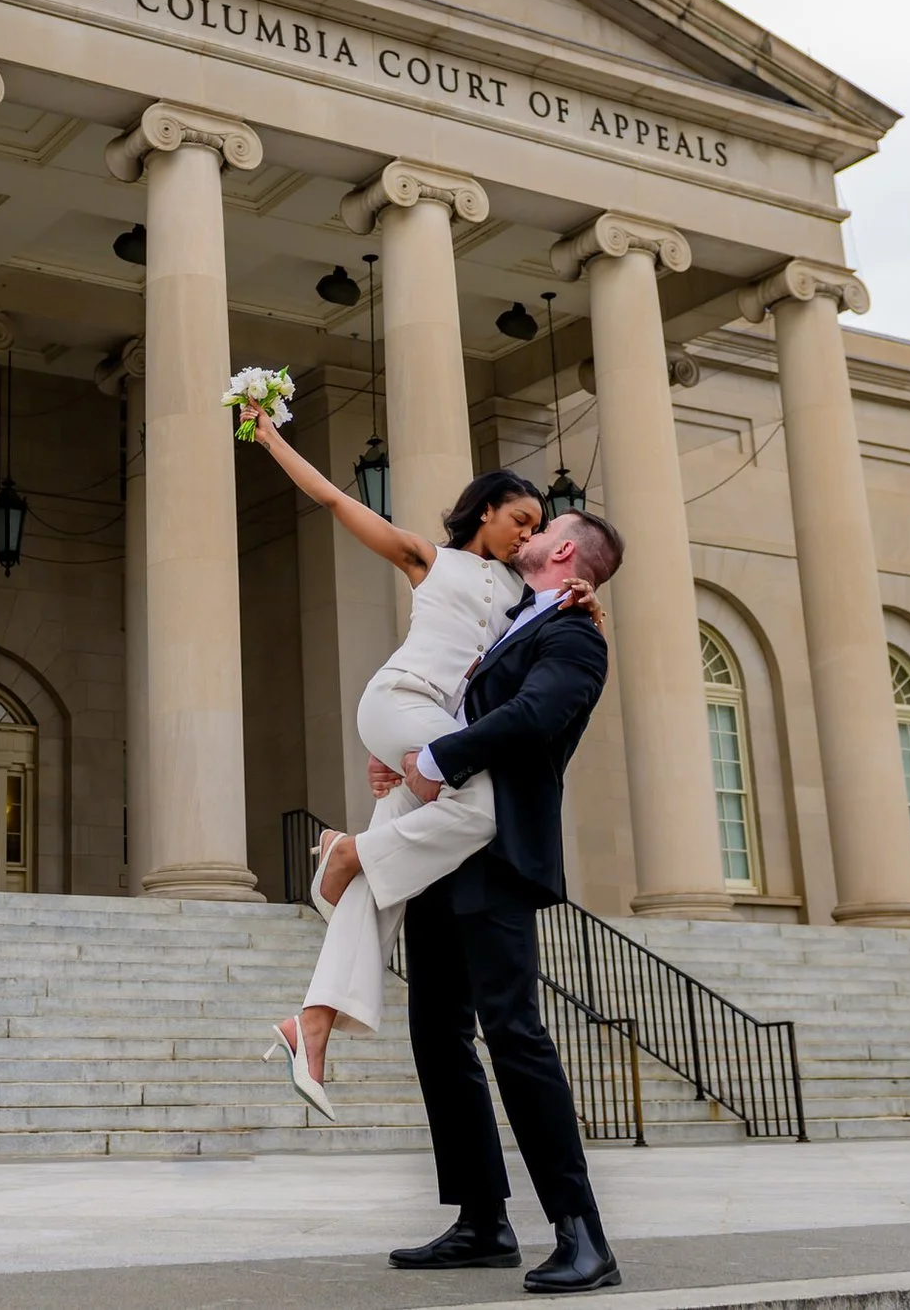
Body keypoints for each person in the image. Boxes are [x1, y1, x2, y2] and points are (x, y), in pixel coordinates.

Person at [234, 405, 593, 1122]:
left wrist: (585, 596)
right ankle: (348, 850)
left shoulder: (525, 598)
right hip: (401, 701)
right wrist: (269, 436)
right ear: (485, 510)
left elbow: (545, 644)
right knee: (484, 810)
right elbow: (335, 500)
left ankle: (312, 1025)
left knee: (382, 885)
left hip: (439, 738)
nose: (527, 533)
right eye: (519, 519)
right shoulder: (429, 559)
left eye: (536, 528)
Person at [383, 507, 627, 1295]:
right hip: (445, 847)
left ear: (565, 549)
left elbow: (534, 716)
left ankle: (582, 1233)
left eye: (542, 527)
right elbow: (467, 704)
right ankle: (482, 1220)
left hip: (499, 850)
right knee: (436, 1030)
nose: (526, 534)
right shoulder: (518, 620)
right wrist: (405, 756)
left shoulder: (576, 635)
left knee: (514, 1031)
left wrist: (436, 757)